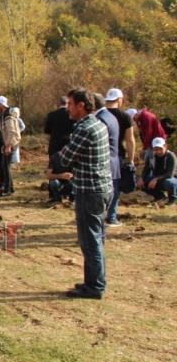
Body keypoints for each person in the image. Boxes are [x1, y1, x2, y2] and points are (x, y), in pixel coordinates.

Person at [55, 88, 112, 299]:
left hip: (90, 190)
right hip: (102, 188)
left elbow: (65, 158)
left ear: (81, 105)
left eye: (70, 104)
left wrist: (64, 155)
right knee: (96, 237)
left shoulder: (84, 129)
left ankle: (95, 286)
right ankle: (94, 280)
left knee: (90, 240)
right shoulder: (98, 124)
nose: (67, 108)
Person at [104, 88, 136, 225]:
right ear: (119, 100)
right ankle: (111, 217)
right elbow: (130, 140)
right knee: (115, 185)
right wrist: (131, 159)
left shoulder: (99, 115)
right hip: (116, 155)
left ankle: (96, 215)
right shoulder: (125, 116)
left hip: (98, 155)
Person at [93, 94, 121, 228]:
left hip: (105, 160)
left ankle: (105, 219)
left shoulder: (100, 119)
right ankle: (111, 217)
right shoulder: (110, 116)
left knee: (103, 194)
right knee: (112, 190)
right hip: (113, 158)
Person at [138, 137, 177, 204]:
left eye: (160, 148)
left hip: (170, 178)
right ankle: (159, 196)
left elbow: (170, 174)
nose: (158, 151)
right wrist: (141, 178)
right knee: (141, 182)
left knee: (170, 183)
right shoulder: (151, 156)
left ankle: (172, 198)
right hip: (156, 178)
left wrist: (156, 179)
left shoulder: (171, 156)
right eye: (156, 149)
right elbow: (146, 169)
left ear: (165, 146)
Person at [0, 96, 20, 196]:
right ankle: (9, 188)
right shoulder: (4, 115)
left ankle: (8, 190)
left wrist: (8, 146)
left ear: (2, 104)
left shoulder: (8, 116)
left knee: (6, 166)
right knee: (4, 165)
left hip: (12, 143)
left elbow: (12, 131)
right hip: (9, 143)